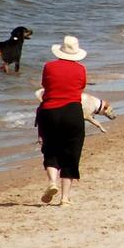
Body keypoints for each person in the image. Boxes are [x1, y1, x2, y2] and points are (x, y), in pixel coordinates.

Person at [36, 36, 88, 205]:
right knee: (71, 153)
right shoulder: (81, 69)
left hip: (49, 112)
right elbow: (81, 87)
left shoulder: (48, 66)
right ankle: (65, 198)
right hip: (72, 112)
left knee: (50, 149)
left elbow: (45, 85)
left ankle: (52, 182)